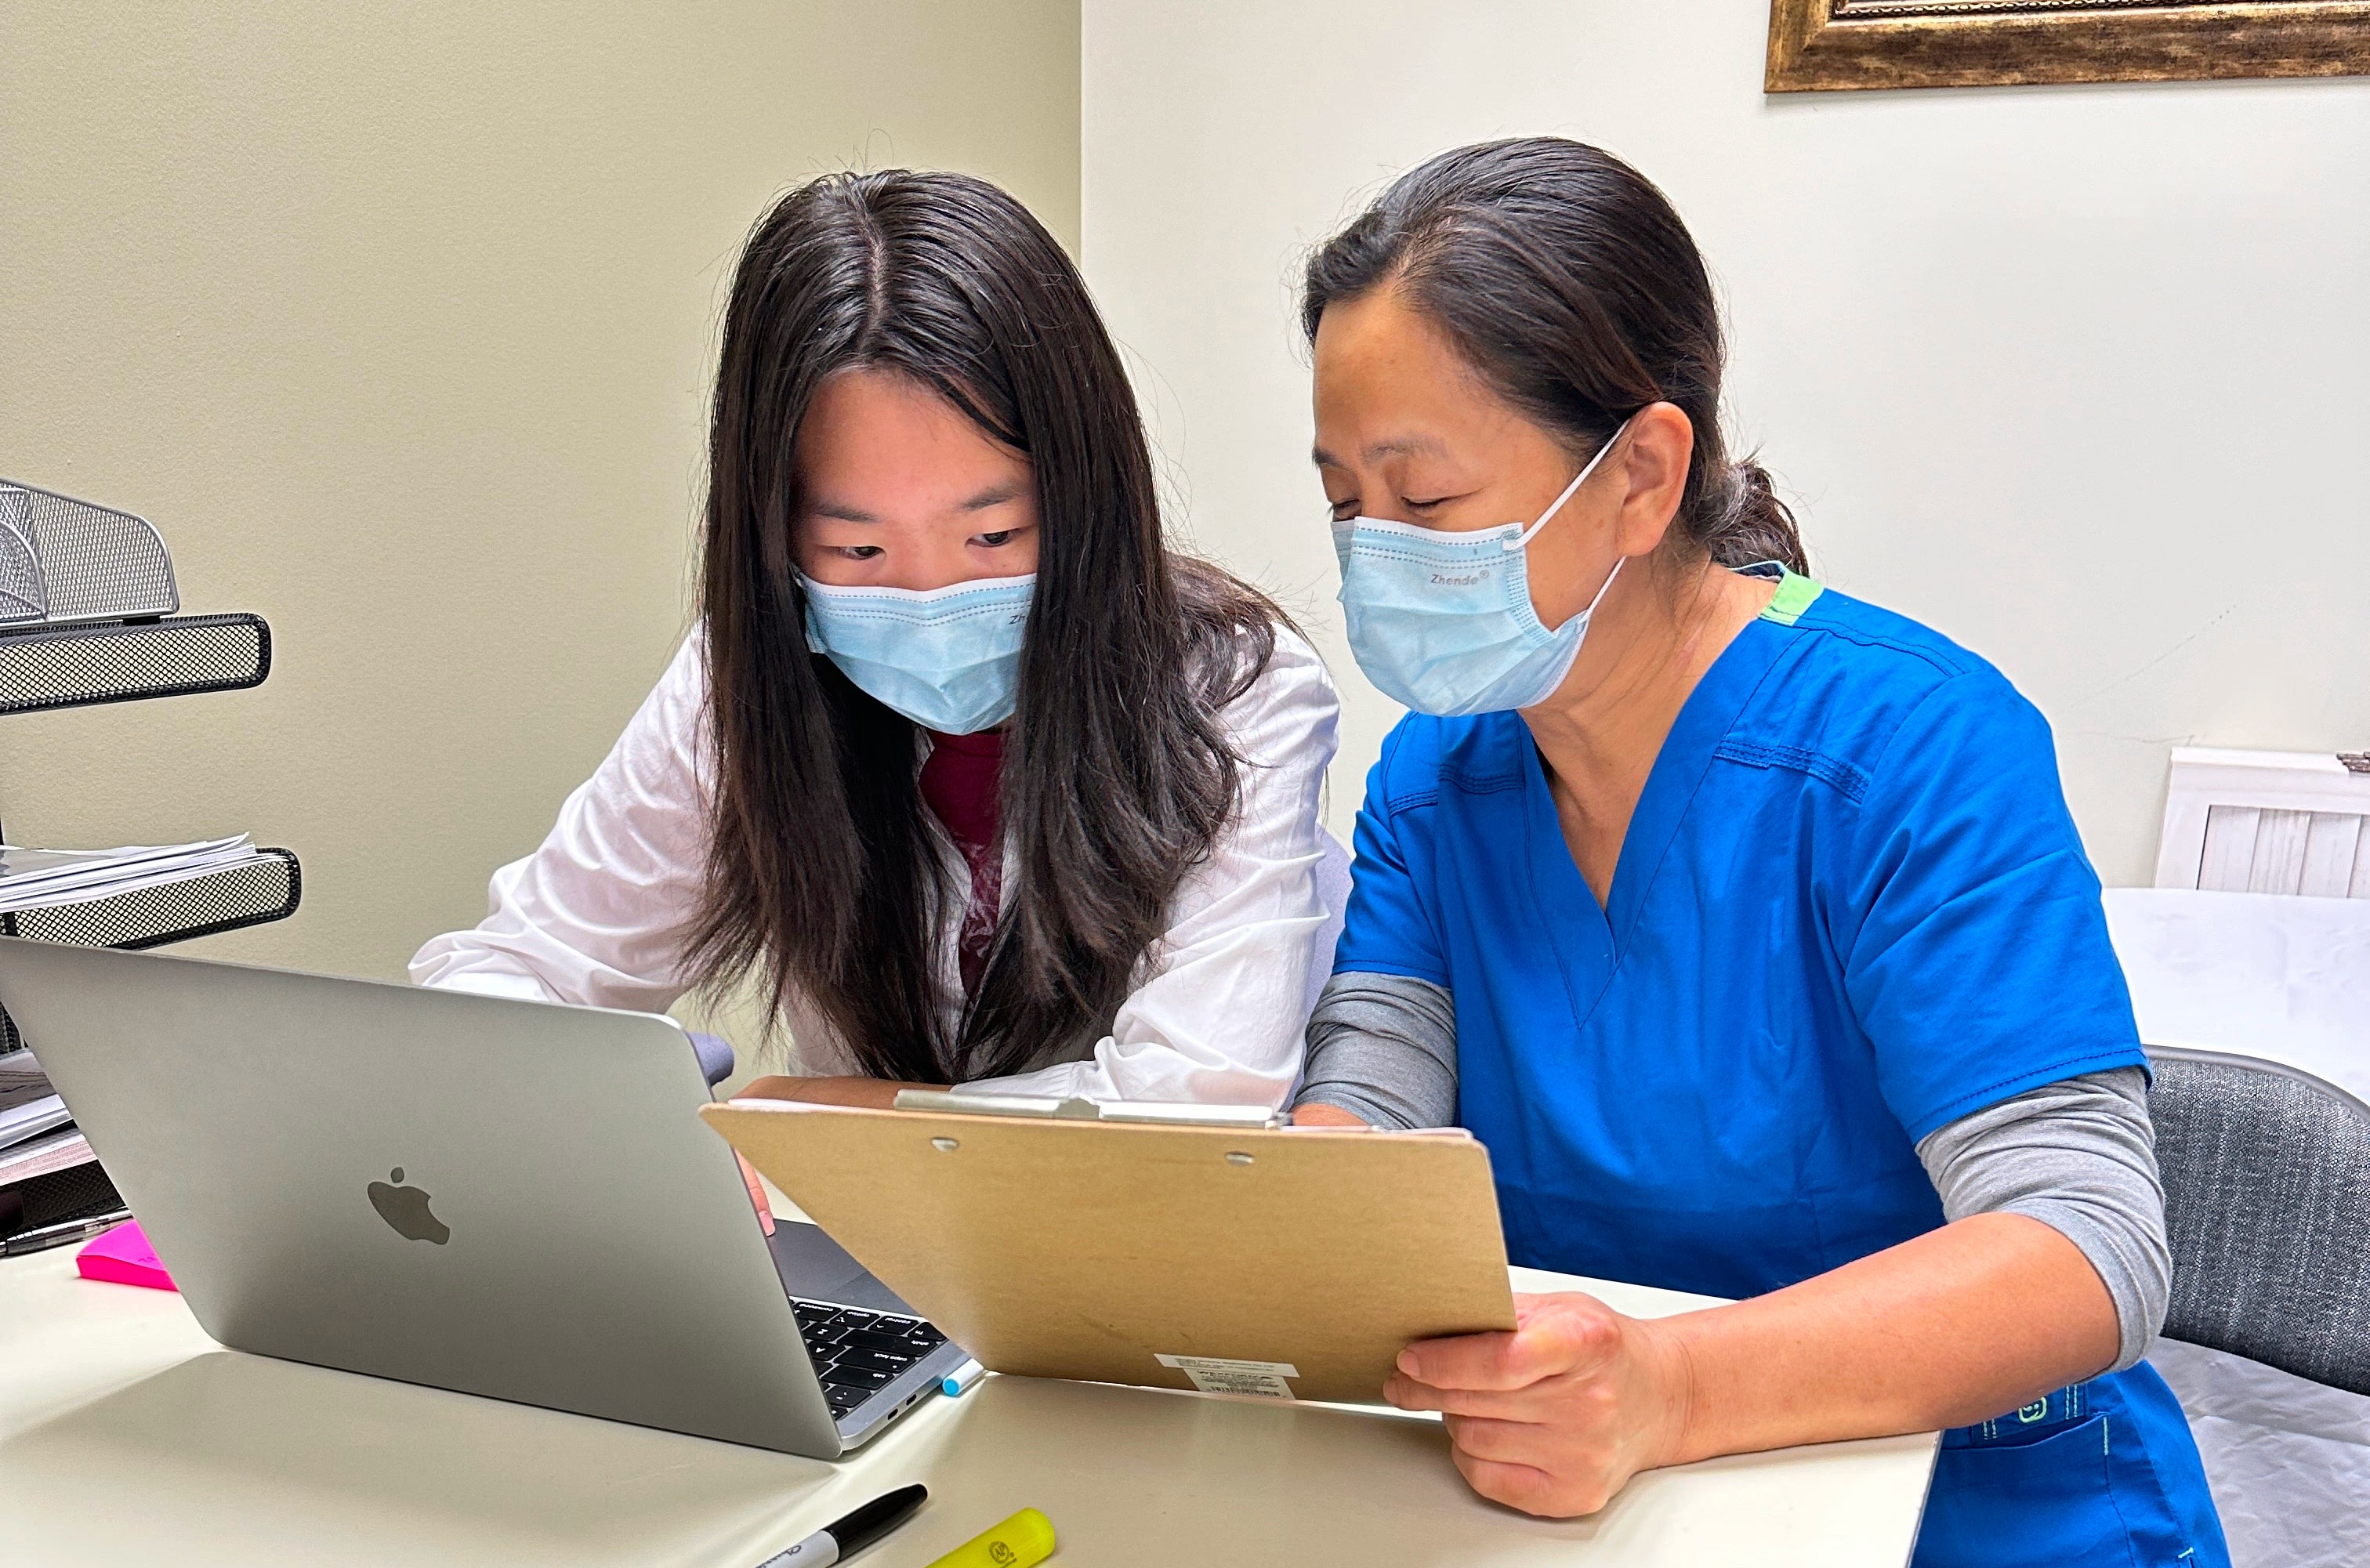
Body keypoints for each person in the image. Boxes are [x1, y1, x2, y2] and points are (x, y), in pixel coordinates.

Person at [1289, 138, 2226, 1566]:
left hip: (1968, 1502)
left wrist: (1669, 1388)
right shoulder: (1435, 774)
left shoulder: (1907, 746)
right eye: (1343, 504)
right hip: (1593, 1501)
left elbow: (2082, 1246)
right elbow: (1366, 1112)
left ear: (1640, 475)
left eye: (1422, 503)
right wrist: (1271, 1244)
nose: (1373, 559)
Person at [414, 169, 1337, 1110]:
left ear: (1087, 500)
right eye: (857, 547)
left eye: (995, 537)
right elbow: (522, 970)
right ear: (774, 540)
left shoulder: (1233, 690)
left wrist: (831, 1118)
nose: (930, 596)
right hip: (862, 1248)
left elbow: (1190, 1102)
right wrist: (604, 1097)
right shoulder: (742, 683)